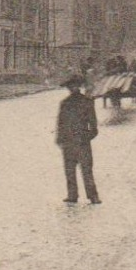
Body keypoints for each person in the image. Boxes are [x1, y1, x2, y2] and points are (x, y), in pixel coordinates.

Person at [55, 72, 100, 204]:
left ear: (79, 86)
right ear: (68, 88)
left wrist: (86, 137)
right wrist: (60, 138)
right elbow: (61, 123)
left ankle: (93, 196)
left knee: (87, 169)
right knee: (69, 170)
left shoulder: (87, 102)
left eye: (75, 86)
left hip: (82, 142)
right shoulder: (65, 103)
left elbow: (94, 126)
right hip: (68, 142)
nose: (73, 88)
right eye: (71, 86)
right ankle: (72, 195)